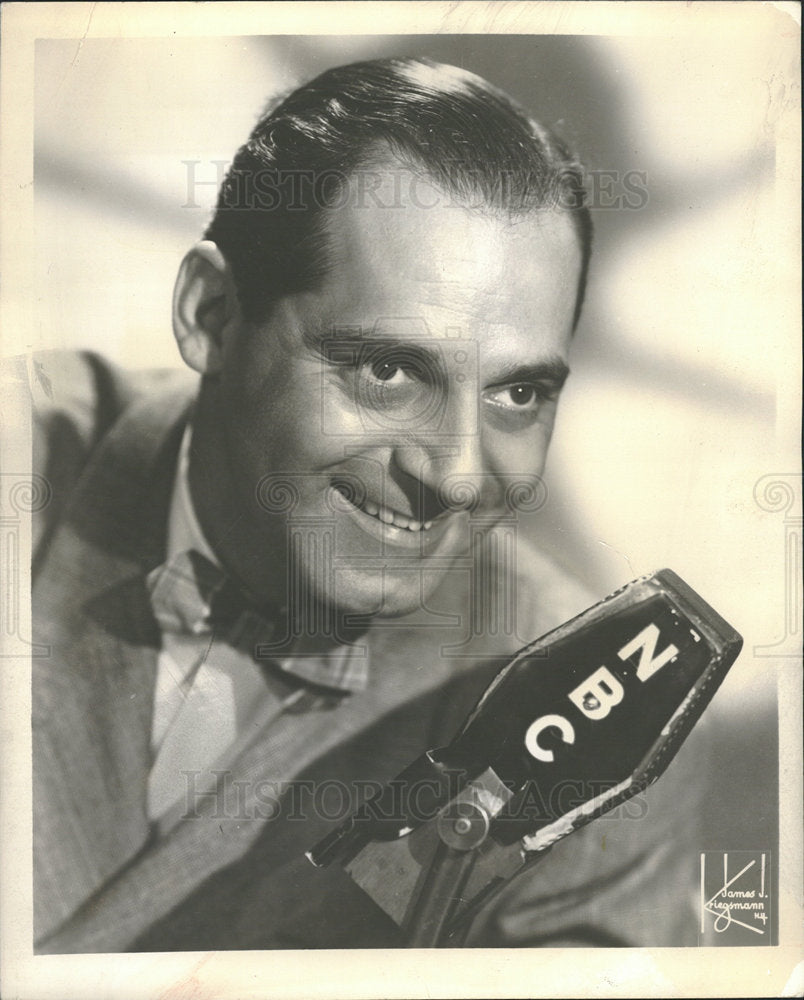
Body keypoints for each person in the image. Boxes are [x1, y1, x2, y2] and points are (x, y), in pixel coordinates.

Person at [29, 57, 704, 952]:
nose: (460, 477)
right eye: (388, 371)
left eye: (518, 395)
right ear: (213, 315)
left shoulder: (603, 724)